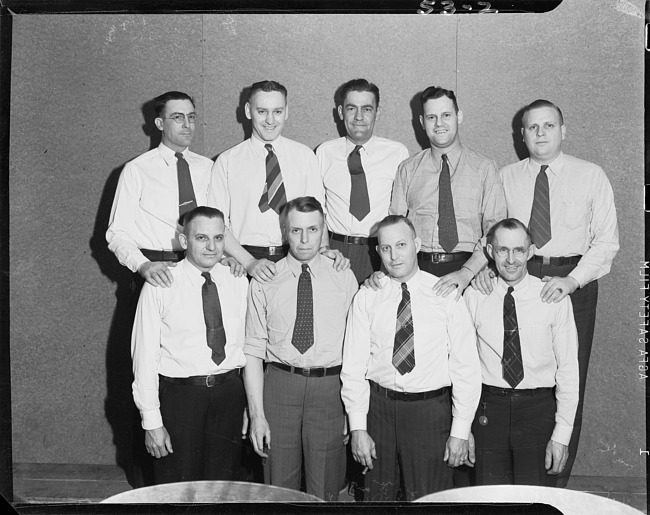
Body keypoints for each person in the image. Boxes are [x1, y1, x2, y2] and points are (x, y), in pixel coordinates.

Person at [472, 100, 619, 486]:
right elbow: (491, 233)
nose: (540, 134)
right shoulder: (505, 177)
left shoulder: (591, 176)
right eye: (532, 127)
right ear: (521, 135)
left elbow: (606, 242)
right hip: (518, 276)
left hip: (573, 280)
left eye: (548, 126)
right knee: (514, 373)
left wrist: (571, 282)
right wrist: (487, 270)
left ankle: (553, 487)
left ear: (563, 131)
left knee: (569, 376)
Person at [340, 214, 481, 501]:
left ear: (416, 244)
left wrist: (460, 430)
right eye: (386, 248)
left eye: (401, 245)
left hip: (429, 412)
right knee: (375, 499)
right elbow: (353, 368)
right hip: (379, 410)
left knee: (429, 500)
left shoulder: (445, 295)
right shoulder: (367, 297)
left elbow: (466, 368)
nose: (394, 255)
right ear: (378, 251)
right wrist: (358, 427)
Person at [243, 196, 358, 501]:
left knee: (326, 486)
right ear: (285, 231)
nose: (305, 239)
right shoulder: (265, 279)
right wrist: (257, 415)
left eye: (313, 230)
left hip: (330, 388)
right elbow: (253, 351)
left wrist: (354, 409)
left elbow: (358, 348)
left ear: (324, 231)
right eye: (296, 231)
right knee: (278, 486)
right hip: (280, 385)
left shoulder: (343, 275)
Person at [131, 206, 248, 484]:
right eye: (201, 238)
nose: (211, 247)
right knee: (178, 492)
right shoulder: (161, 284)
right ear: (184, 241)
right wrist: (152, 421)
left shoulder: (237, 280)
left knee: (223, 490)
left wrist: (246, 407)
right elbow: (143, 357)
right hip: (181, 399)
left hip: (229, 395)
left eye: (218, 238)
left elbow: (247, 346)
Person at [464, 218, 579, 486]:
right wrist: (464, 428)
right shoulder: (475, 296)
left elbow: (569, 371)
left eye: (519, 250)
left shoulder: (553, 297)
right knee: (490, 502)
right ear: (491, 252)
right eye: (503, 250)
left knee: (535, 502)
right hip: (489, 411)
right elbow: (463, 368)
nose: (511, 259)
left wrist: (561, 436)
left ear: (530, 251)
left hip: (538, 412)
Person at [210, 80, 348, 279]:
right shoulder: (227, 161)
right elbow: (218, 224)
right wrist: (249, 262)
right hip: (244, 261)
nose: (270, 120)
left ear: (286, 112)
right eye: (262, 111)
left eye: (277, 111)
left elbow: (318, 215)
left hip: (295, 256)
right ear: (248, 111)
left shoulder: (305, 156)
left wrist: (324, 249)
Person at [106, 91, 243, 288]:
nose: (187, 125)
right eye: (178, 117)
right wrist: (143, 265)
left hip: (201, 267)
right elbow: (117, 233)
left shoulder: (209, 168)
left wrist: (224, 257)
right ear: (160, 124)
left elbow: (218, 224)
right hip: (155, 270)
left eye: (191, 117)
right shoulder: (137, 170)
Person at [385, 86, 506, 299]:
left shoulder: (485, 168)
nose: (439, 123)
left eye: (446, 115)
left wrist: (467, 273)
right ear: (422, 122)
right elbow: (393, 230)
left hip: (470, 273)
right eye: (431, 117)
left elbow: (495, 231)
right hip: (417, 271)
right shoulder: (408, 169)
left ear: (459, 117)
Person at [317, 78, 409, 283]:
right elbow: (318, 211)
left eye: (367, 109)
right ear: (341, 112)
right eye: (352, 108)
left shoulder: (397, 153)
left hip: (379, 252)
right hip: (335, 251)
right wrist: (324, 250)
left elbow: (402, 212)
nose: (359, 117)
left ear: (378, 112)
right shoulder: (324, 152)